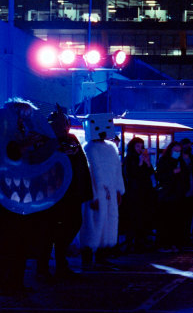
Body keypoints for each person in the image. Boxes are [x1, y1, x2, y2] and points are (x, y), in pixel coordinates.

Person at [0, 98, 72, 293]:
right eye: (22, 117)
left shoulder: (22, 131)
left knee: (21, 241)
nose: (24, 122)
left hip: (21, 195)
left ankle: (16, 281)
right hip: (6, 198)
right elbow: (8, 155)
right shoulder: (5, 132)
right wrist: (24, 145)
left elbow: (31, 159)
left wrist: (44, 147)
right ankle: (9, 283)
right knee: (11, 241)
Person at [36, 105, 93, 280]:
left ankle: (61, 264)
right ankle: (43, 269)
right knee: (47, 231)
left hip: (71, 194)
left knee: (72, 224)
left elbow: (81, 166)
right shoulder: (44, 141)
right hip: (50, 195)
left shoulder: (71, 139)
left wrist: (84, 191)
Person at [80, 113, 125, 266]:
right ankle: (87, 256)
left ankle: (103, 255)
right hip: (95, 192)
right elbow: (89, 173)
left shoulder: (112, 148)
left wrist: (119, 190)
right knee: (93, 223)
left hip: (110, 192)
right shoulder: (88, 148)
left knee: (109, 221)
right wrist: (92, 195)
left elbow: (117, 171)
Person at [121, 137, 156, 253]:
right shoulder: (129, 159)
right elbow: (131, 174)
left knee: (143, 217)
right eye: (137, 146)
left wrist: (147, 163)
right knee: (134, 218)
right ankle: (131, 242)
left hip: (145, 192)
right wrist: (141, 163)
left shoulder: (142, 157)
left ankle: (141, 241)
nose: (140, 149)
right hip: (134, 193)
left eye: (141, 147)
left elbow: (150, 172)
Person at [155, 141, 188, 252]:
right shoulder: (164, 161)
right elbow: (159, 176)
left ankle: (175, 243)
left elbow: (185, 177)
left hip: (178, 196)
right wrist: (172, 172)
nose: (177, 153)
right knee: (166, 221)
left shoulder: (181, 162)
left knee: (177, 221)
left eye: (179, 151)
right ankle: (165, 244)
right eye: (175, 150)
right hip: (167, 196)